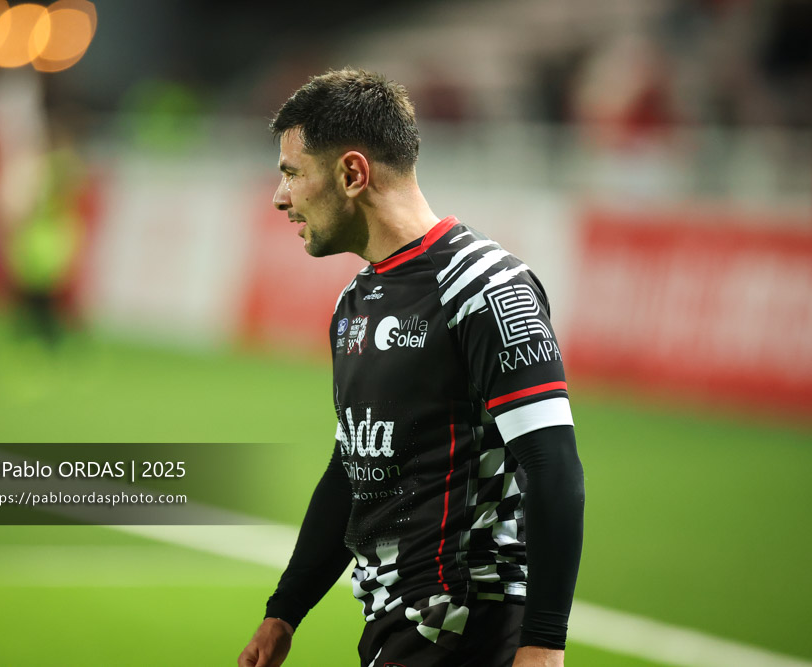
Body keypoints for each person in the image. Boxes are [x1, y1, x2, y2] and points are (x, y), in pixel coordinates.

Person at [238, 69, 585, 667]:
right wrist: (285, 610)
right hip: (397, 625)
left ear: (352, 174)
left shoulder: (486, 287)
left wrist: (544, 643)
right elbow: (352, 470)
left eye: (292, 173)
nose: (280, 196)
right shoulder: (356, 303)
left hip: (466, 624)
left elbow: (554, 468)